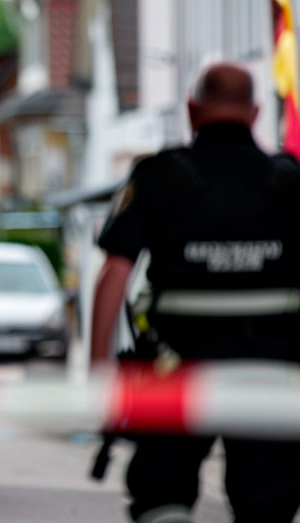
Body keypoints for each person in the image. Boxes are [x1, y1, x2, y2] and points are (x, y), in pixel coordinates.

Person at [91, 62, 300, 523]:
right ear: (256, 112)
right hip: (273, 370)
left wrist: (98, 369)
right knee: (268, 502)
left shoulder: (157, 175)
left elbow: (113, 276)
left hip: (175, 369)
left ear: (191, 110)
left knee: (162, 494)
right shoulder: (290, 181)